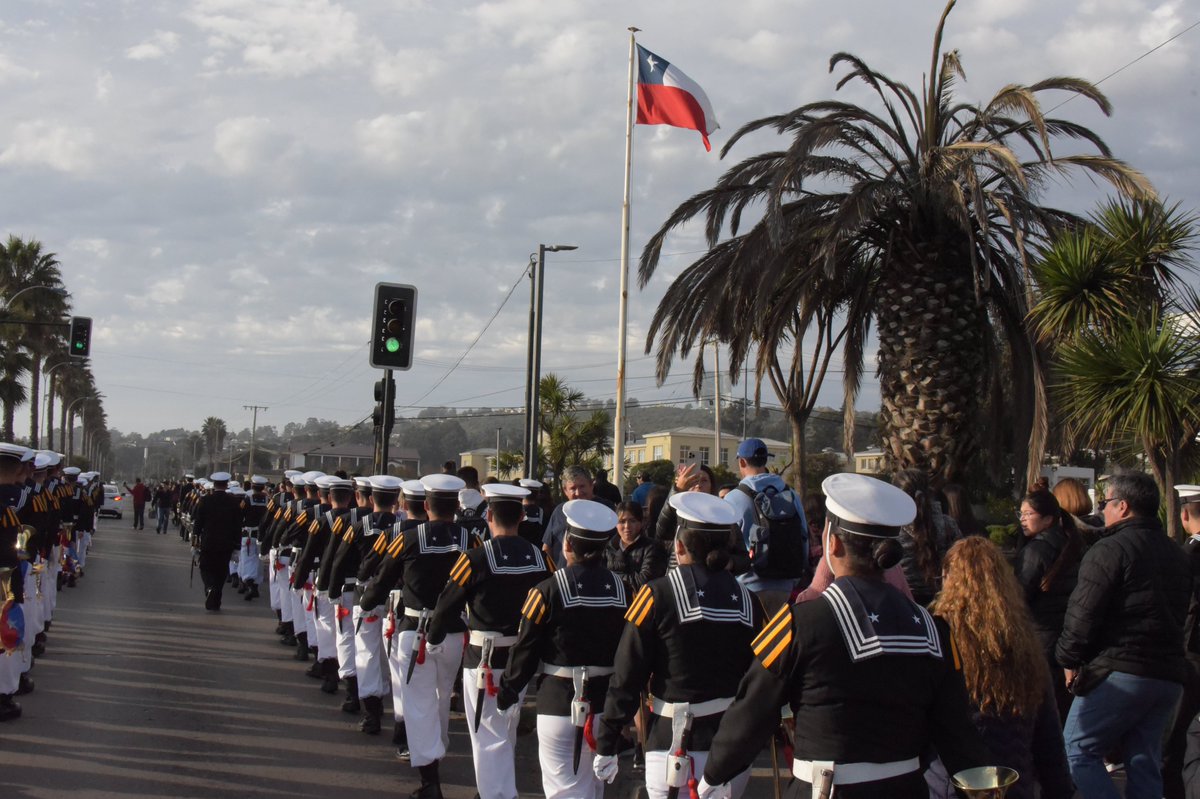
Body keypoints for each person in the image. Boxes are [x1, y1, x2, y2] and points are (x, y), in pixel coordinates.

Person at [697, 473, 989, 799]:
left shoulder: (800, 623)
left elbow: (751, 712)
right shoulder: (934, 629)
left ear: (832, 543)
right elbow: (957, 732)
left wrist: (714, 773)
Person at [595, 491, 767, 798]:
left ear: (679, 545)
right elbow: (763, 678)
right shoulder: (749, 601)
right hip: (732, 748)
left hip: (672, 745)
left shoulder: (655, 594)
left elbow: (627, 672)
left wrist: (608, 738)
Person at [1055, 471, 1192, 798]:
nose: (1101, 510)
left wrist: (1068, 659)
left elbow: (1082, 613)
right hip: (1167, 675)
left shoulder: (1110, 549)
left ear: (1123, 506)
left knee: (1076, 751)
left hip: (1121, 671)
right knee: (1144, 760)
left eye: (1105, 503)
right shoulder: (1178, 553)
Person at [425, 482, 550, 799]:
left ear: (489, 514)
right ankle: (494, 789)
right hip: (522, 658)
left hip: (484, 659)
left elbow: (446, 605)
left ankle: (497, 794)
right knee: (505, 730)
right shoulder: (539, 559)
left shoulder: (475, 558)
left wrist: (433, 639)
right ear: (522, 515)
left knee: (487, 734)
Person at [499, 498, 629, 799]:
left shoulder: (545, 590)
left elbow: (525, 649)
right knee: (594, 789)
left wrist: (509, 692)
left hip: (558, 701)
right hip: (605, 706)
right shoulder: (625, 591)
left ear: (567, 544)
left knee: (564, 791)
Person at [360, 473, 480, 797]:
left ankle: (430, 778)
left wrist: (366, 602)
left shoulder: (408, 539)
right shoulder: (472, 540)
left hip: (415, 631)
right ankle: (436, 750)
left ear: (426, 505)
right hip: (454, 632)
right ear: (456, 506)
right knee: (440, 699)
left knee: (418, 702)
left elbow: (383, 578)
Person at [927, 537, 1073, 799]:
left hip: (952, 784)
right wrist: (1060, 790)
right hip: (1013, 781)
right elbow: (1048, 738)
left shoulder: (938, 636)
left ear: (948, 577)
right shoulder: (1023, 642)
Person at [723, 438, 810, 611]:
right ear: (765, 460)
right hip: (786, 585)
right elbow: (804, 538)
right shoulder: (791, 494)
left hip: (747, 586)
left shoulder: (734, 497)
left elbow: (727, 543)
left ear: (742, 461)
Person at [1165, 484, 1200, 799]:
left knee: (1179, 734)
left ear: (1185, 513)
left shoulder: (1188, 554)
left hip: (1191, 653)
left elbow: (1186, 609)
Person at [892, 468, 960, 606]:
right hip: (942, 606)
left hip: (899, 606)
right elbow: (961, 567)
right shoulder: (949, 525)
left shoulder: (890, 529)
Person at [543, 466, 614, 570]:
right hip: (564, 579)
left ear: (591, 485)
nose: (578, 492)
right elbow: (547, 547)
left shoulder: (607, 509)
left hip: (598, 579)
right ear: (565, 490)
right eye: (573, 488)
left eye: (582, 486)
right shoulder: (559, 511)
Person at [191, 472, 244, 611]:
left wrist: (194, 541)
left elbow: (198, 523)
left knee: (205, 567)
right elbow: (238, 526)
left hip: (208, 541)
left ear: (214, 485)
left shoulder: (205, 500)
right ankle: (216, 599)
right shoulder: (233, 502)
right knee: (221, 571)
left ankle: (209, 588)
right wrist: (237, 545)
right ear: (226, 484)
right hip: (226, 543)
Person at [605, 500, 666, 595]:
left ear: (641, 522)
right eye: (622, 521)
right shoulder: (608, 547)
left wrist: (612, 578)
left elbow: (643, 582)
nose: (627, 526)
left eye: (632, 521)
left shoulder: (652, 548)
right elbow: (600, 577)